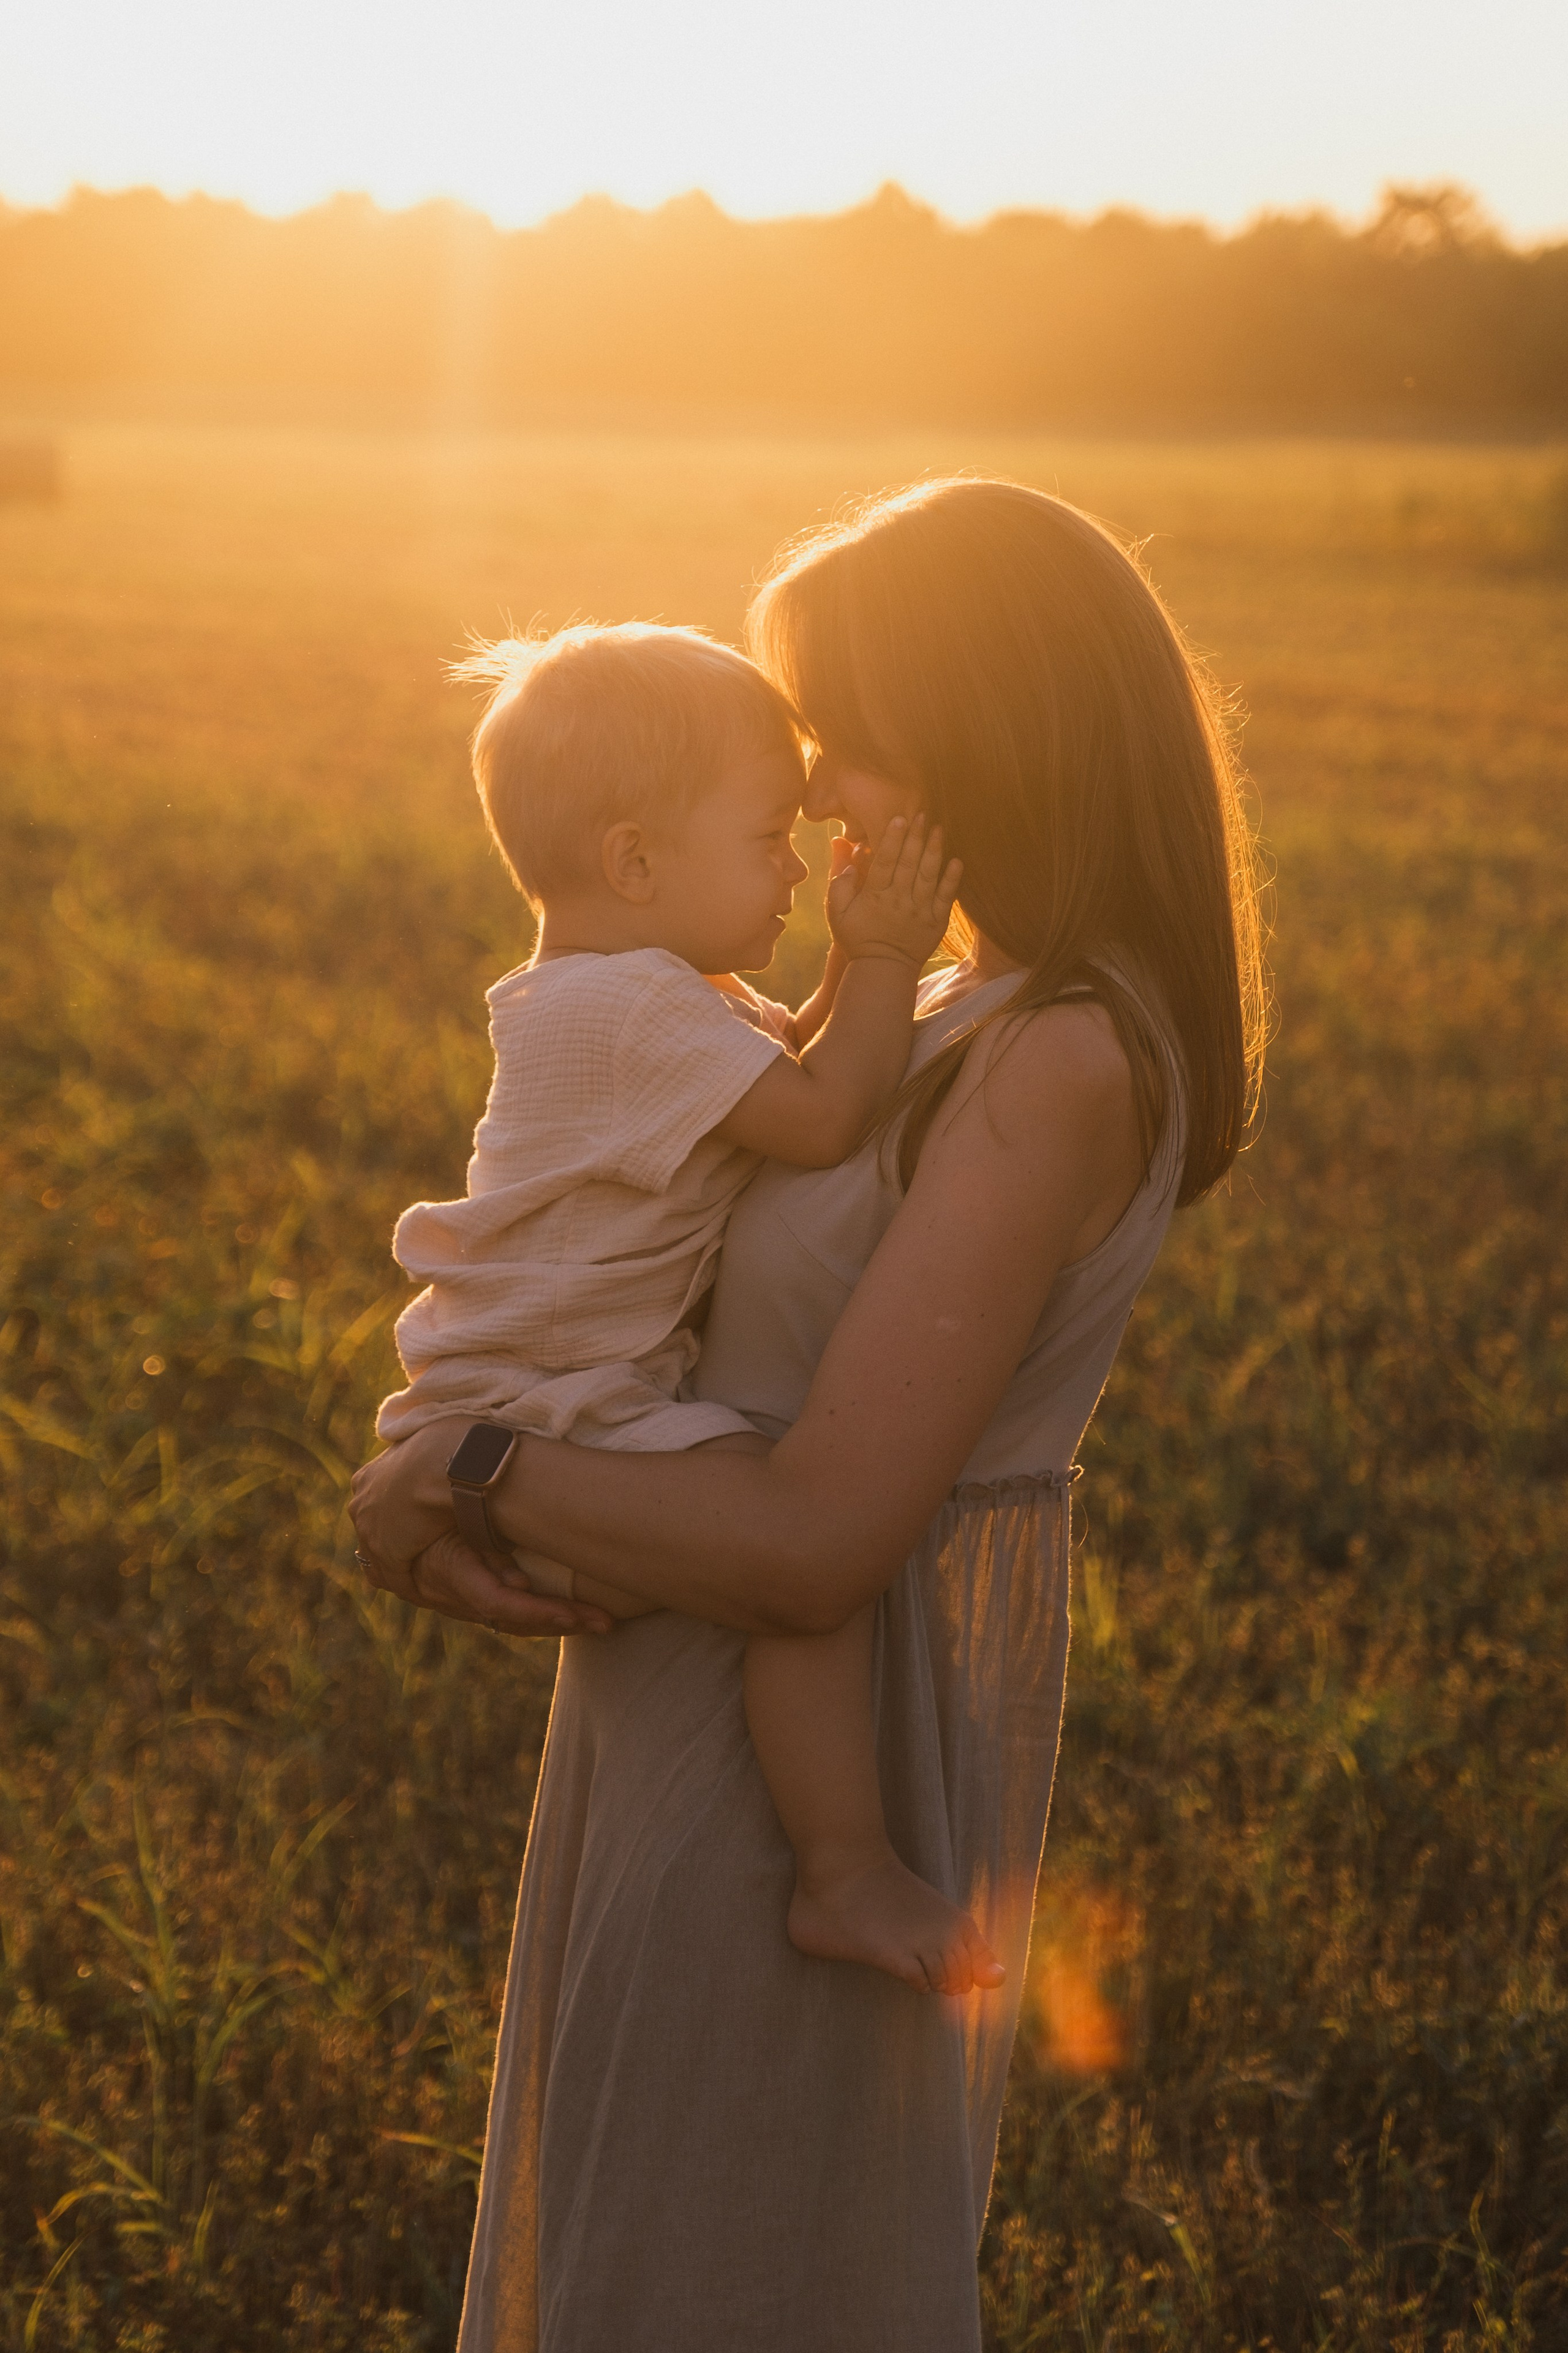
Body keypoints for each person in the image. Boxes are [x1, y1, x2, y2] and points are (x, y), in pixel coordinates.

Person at [352, 477, 1266, 2353]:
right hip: (688, 1672)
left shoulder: (1063, 1051)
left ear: (988, 724)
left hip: (809, 1737)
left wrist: (465, 1467)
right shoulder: (954, 999)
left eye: (853, 735)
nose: (827, 790)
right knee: (642, 2240)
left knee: (727, 2267)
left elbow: (821, 1541)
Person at [377, 618, 993, 1996]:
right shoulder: (627, 1016)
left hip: (538, 1382)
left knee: (773, 1537)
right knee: (793, 1556)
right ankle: (841, 1869)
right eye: (770, 836)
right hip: (549, 1399)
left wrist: (850, 959)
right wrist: (887, 953)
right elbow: (830, 1112)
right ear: (634, 862)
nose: (796, 863)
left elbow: (799, 1057)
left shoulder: (645, 993)